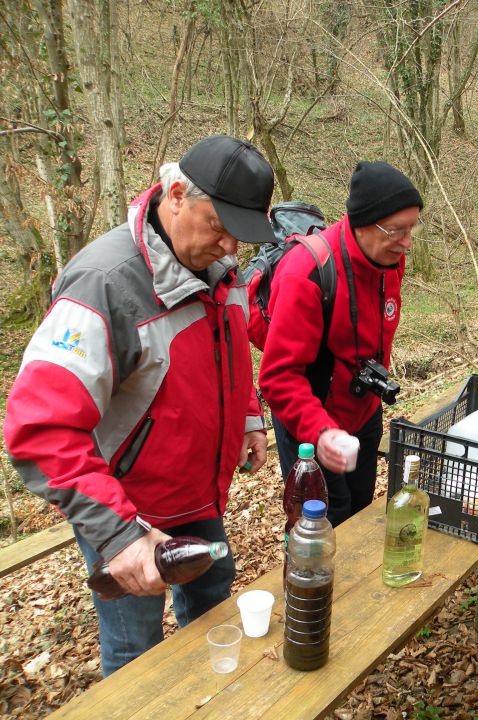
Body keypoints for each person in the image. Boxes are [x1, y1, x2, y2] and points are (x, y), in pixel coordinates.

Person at [3, 135, 274, 676]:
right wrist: (121, 537)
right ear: (175, 194)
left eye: (238, 237)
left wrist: (248, 419)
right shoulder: (104, 284)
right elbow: (39, 428)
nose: (228, 248)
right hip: (129, 508)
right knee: (136, 652)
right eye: (218, 228)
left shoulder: (222, 268)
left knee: (213, 611)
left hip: (199, 492)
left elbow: (231, 350)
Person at [259, 161, 423, 527]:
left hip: (362, 413)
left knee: (359, 515)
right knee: (322, 525)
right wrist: (321, 432)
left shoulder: (389, 260)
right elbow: (277, 377)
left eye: (413, 229)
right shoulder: (306, 273)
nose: (407, 243)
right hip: (312, 424)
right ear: (362, 224)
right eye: (397, 230)